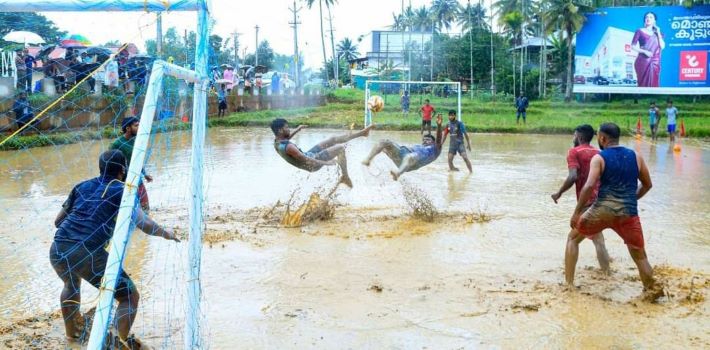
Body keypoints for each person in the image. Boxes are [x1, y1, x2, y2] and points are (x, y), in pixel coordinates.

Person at [50, 150, 179, 347]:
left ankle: (72, 337)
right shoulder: (123, 191)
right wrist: (166, 233)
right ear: (123, 170)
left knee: (70, 285)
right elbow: (143, 223)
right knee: (129, 296)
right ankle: (118, 341)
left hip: (58, 247)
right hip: (87, 252)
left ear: (100, 168)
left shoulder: (82, 186)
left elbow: (58, 221)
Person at [570, 122, 662, 300]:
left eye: (599, 137)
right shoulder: (636, 156)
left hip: (602, 211)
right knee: (640, 257)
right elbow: (648, 185)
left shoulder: (599, 157)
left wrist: (576, 212)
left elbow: (589, 186)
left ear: (603, 138)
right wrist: (631, 199)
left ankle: (568, 286)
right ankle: (653, 295)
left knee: (572, 239)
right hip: (628, 213)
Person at [550, 125, 611, 280]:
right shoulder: (600, 153)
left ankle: (569, 284)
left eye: (573, 135)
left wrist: (559, 192)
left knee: (572, 239)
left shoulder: (574, 152)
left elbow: (573, 176)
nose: (573, 138)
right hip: (604, 203)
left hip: (588, 204)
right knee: (598, 239)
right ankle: (607, 276)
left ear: (578, 136)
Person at [271, 118, 374, 188]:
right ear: (280, 130)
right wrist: (326, 163)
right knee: (340, 148)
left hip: (309, 155)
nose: (289, 129)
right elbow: (306, 160)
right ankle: (345, 177)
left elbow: (287, 139)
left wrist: (297, 130)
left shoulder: (277, 142)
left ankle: (362, 133)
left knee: (332, 139)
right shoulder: (289, 147)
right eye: (286, 127)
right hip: (312, 164)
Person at [363, 115, 444, 181]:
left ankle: (397, 174)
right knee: (384, 142)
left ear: (433, 142)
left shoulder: (435, 149)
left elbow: (439, 138)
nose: (425, 141)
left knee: (410, 156)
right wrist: (386, 150)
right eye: (424, 140)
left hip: (413, 161)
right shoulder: (419, 146)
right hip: (402, 154)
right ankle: (368, 159)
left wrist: (439, 125)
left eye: (428, 140)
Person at [110, 117, 153, 212]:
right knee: (126, 208)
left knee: (145, 206)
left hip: (137, 178)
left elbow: (137, 160)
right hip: (123, 182)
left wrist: (145, 174)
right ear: (128, 128)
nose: (139, 127)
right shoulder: (117, 144)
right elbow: (110, 163)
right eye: (136, 125)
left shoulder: (135, 141)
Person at [631, 12, 665, 88]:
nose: (648, 19)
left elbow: (662, 46)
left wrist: (658, 32)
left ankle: (653, 98)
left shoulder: (658, 34)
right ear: (644, 20)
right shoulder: (639, 31)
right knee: (642, 84)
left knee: (654, 83)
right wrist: (645, 51)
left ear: (654, 21)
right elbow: (633, 46)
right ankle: (641, 98)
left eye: (651, 17)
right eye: (647, 17)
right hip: (642, 61)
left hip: (655, 62)